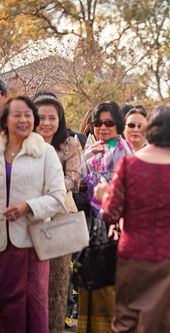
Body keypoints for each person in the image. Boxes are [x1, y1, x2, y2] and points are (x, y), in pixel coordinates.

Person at [94, 105, 170, 333]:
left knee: (130, 321)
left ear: (151, 129)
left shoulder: (128, 165)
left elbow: (111, 213)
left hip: (136, 255)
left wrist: (104, 194)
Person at [0, 96, 66, 333]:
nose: (23, 119)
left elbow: (58, 197)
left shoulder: (45, 152)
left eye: (28, 115)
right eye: (16, 114)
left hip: (30, 243)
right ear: (5, 119)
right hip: (1, 242)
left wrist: (27, 206)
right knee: (6, 305)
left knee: (31, 305)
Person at [78, 102, 133, 333]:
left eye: (109, 122)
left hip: (114, 223)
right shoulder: (93, 148)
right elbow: (79, 177)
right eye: (98, 123)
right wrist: (86, 156)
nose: (103, 127)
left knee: (110, 281)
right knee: (91, 276)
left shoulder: (123, 148)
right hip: (92, 222)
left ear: (118, 124)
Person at [34, 94, 82, 332]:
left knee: (57, 284)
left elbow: (74, 179)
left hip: (60, 218)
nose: (46, 122)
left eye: (52, 117)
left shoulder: (69, 143)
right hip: (27, 219)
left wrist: (47, 184)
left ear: (60, 119)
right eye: (41, 117)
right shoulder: (22, 143)